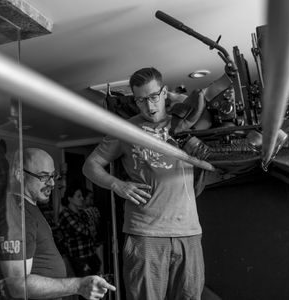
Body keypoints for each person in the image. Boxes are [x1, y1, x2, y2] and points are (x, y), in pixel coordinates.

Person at [83, 67, 205, 300]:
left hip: (188, 231)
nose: (148, 106)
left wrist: (178, 99)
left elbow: (208, 111)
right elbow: (90, 166)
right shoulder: (125, 129)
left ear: (164, 92)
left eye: (153, 97)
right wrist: (117, 185)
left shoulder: (184, 121)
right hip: (145, 233)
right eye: (140, 100)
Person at [0, 147, 115, 300]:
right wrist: (78, 285)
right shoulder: (16, 214)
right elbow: (17, 286)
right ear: (20, 175)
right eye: (43, 177)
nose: (52, 184)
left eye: (53, 176)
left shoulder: (31, 208)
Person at [58, 184, 102, 277]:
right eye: (78, 196)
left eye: (82, 196)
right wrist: (90, 229)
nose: (82, 198)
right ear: (70, 198)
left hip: (91, 254)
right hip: (78, 257)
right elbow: (83, 231)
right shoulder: (66, 214)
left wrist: (90, 229)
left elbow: (94, 231)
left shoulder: (82, 213)